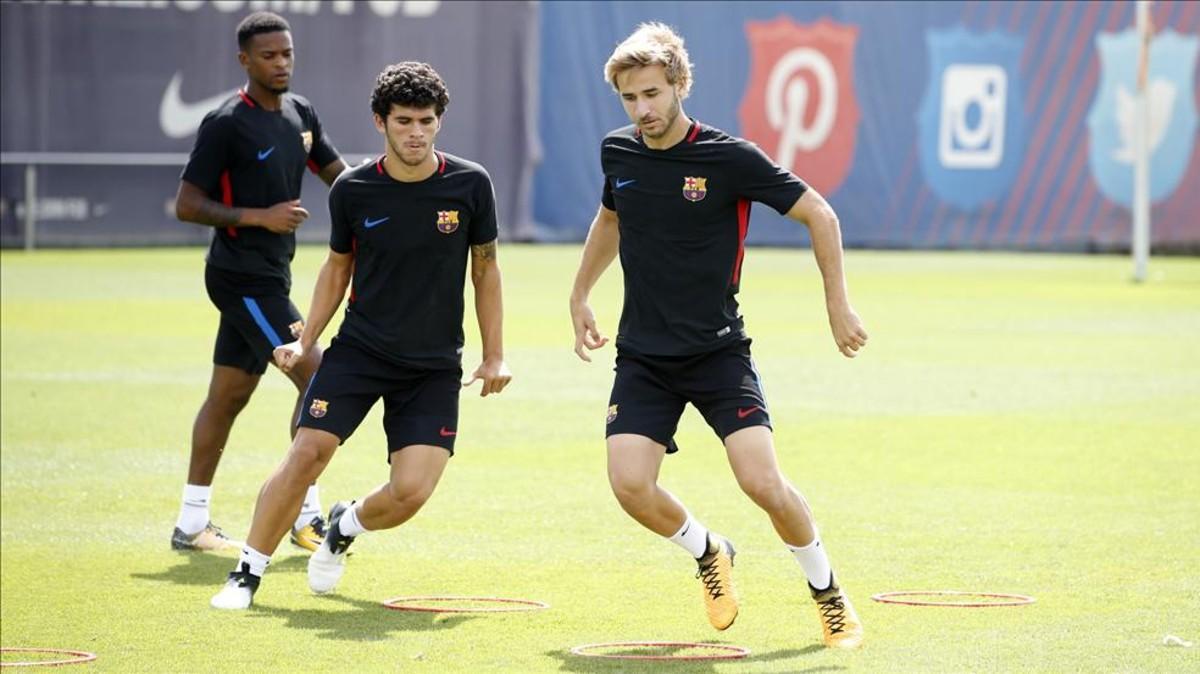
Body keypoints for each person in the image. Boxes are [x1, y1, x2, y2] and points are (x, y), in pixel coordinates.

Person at [568, 23, 867, 649]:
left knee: (762, 482)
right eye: (629, 98)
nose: (642, 109)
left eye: (652, 93)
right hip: (643, 355)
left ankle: (826, 589)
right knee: (629, 485)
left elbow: (821, 212)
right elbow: (610, 219)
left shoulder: (728, 158)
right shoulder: (618, 152)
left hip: (717, 352)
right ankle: (709, 550)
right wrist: (579, 294)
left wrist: (836, 304)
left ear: (679, 84)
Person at [210, 61, 511, 610]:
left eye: (425, 120)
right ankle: (246, 573)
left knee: (411, 492)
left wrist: (494, 356)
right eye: (403, 121)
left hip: (433, 365)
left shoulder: (472, 184)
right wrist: (306, 342)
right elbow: (336, 269)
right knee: (307, 452)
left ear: (440, 121)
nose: (415, 132)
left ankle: (344, 526)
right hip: (360, 353)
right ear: (381, 122)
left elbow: (486, 270)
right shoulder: (353, 189)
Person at [172, 11, 346, 554]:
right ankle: (304, 516)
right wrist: (258, 216)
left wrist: (389, 193)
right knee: (316, 376)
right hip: (241, 279)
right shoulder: (226, 123)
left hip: (271, 274)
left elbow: (338, 175)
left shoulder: (300, 113)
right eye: (268, 56)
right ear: (244, 60)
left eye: (287, 53)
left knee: (226, 397)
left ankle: (191, 522)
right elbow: (187, 205)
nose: (281, 64)